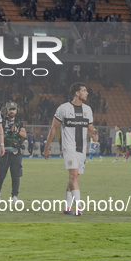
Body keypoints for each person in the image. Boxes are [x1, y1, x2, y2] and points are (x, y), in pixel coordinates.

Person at [44, 82, 98, 215]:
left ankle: (67, 208)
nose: (87, 93)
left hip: (82, 149)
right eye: (84, 91)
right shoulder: (63, 108)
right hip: (69, 148)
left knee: (74, 179)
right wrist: (47, 147)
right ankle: (79, 207)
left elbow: (90, 129)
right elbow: (54, 128)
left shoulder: (88, 110)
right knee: (73, 176)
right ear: (76, 93)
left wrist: (94, 134)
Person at [0, 101, 26, 203]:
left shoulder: (19, 122)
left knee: (15, 176)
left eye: (13, 109)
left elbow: (24, 134)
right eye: (10, 109)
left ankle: (14, 197)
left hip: (16, 152)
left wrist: (16, 131)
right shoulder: (1, 122)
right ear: (6, 110)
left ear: (16, 110)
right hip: (3, 152)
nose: (12, 111)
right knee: (1, 175)